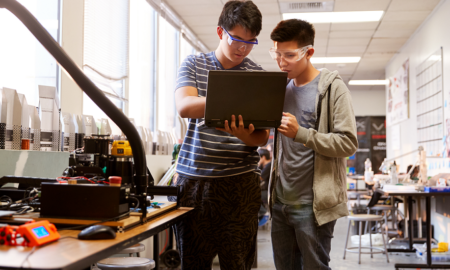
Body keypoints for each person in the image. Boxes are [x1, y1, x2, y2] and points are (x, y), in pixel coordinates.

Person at [171, 1, 269, 269]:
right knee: (193, 263)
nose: (243, 48)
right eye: (237, 39)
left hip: (240, 184)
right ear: (219, 32)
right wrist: (231, 97)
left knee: (238, 264)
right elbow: (185, 106)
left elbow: (261, 137)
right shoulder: (194, 63)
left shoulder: (256, 75)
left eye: (251, 42)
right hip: (194, 183)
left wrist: (241, 135)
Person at [268, 19, 358, 269]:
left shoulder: (333, 89)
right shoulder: (281, 90)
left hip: (314, 206)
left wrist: (302, 133)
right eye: (277, 54)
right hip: (281, 202)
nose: (281, 61)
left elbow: (348, 142)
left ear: (309, 52)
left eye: (289, 55)